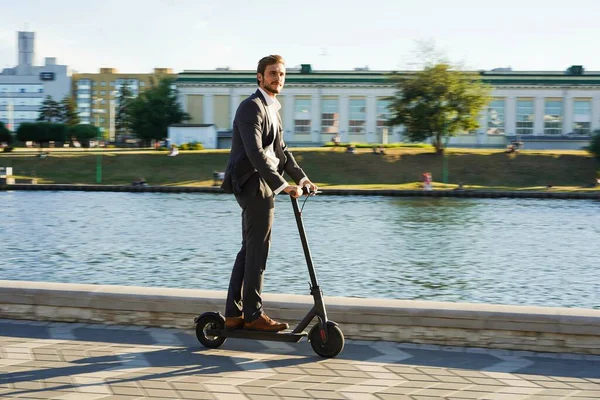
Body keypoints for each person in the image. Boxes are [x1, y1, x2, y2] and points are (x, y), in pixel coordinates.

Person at [220, 55, 318, 332]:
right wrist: (281, 185)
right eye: (273, 73)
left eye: (282, 74)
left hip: (262, 182)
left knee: (250, 249)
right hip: (252, 183)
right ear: (260, 77)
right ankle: (253, 315)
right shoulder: (251, 107)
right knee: (258, 249)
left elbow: (282, 152)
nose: (278, 78)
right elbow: (255, 153)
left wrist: (302, 178)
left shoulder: (272, 108)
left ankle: (234, 313)